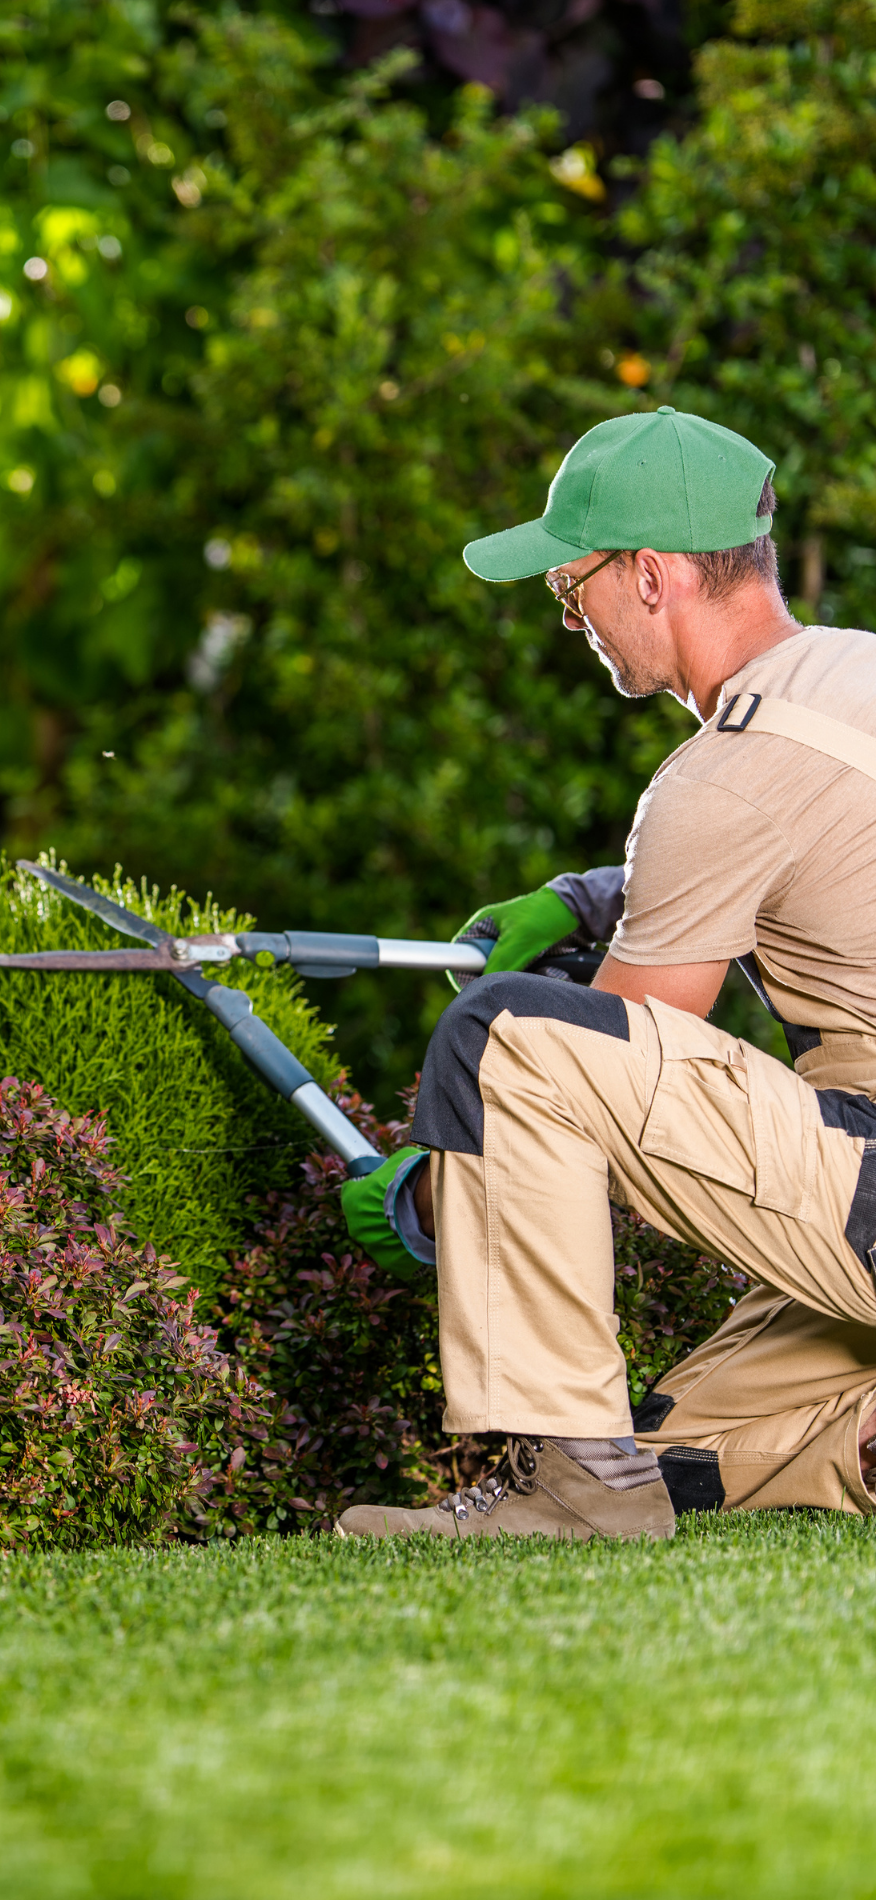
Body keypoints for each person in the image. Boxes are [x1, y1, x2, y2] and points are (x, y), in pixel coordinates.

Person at [336, 405, 876, 1541]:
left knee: (507, 1038)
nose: (566, 614)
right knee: (675, 1441)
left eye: (567, 584)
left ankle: (583, 1495)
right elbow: (808, 851)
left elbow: (600, 1076)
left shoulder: (721, 776)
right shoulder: (849, 677)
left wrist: (427, 1195)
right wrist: (591, 900)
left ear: (651, 575)